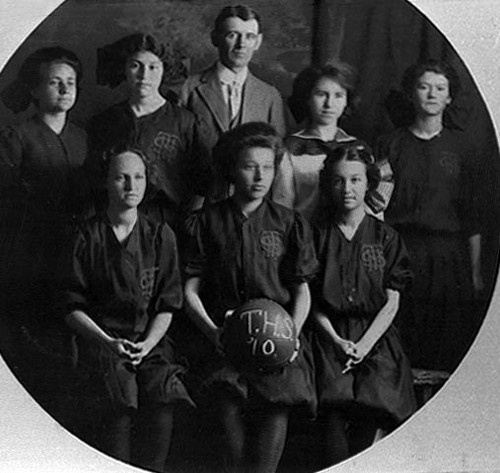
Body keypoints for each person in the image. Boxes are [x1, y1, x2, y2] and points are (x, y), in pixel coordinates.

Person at [183, 122, 317, 473]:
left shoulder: (289, 223)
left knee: (265, 461)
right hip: (226, 349)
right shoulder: (207, 221)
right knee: (233, 454)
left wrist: (292, 333)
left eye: (267, 167)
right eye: (249, 167)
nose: (259, 176)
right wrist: (213, 331)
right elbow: (189, 289)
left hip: (279, 350)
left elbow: (302, 289)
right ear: (232, 169)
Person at [60, 147, 194, 472]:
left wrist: (147, 345)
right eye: (121, 177)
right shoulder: (85, 236)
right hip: (101, 344)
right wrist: (108, 342)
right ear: (107, 182)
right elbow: (70, 307)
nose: (131, 186)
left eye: (138, 177)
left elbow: (168, 302)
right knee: (119, 405)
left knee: (164, 397)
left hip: (151, 344)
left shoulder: (161, 236)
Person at [311, 144, 416, 467]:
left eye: (356, 180)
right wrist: (339, 342)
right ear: (329, 184)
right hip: (328, 337)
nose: (347, 189)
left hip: (376, 336)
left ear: (369, 183)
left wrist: (366, 344)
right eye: (339, 181)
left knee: (373, 402)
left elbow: (392, 300)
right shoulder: (316, 236)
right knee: (331, 404)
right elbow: (313, 303)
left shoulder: (385, 237)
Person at [377, 59, 484, 372]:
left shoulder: (462, 146)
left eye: (440, 88)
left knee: (445, 337)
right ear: (412, 94)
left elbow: (473, 216)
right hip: (402, 251)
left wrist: (475, 273)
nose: (432, 94)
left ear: (449, 97)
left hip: (449, 256)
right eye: (424, 87)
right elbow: (377, 207)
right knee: (403, 332)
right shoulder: (391, 143)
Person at [0, 47, 89, 416]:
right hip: (29, 249)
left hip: (76, 249)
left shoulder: (82, 137)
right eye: (55, 82)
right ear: (36, 90)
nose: (65, 90)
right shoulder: (16, 136)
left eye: (70, 83)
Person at [86, 33, 210, 230]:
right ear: (124, 69)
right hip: (116, 222)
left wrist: (188, 221)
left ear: (164, 70)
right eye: (136, 65)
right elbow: (93, 178)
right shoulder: (105, 121)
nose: (144, 75)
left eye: (153, 67)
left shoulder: (184, 121)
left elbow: (202, 181)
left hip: (168, 222)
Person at [179, 4, 287, 202]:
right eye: (232, 35)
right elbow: (177, 155)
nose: (241, 45)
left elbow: (278, 161)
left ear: (258, 41)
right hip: (201, 204)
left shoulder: (269, 96)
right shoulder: (189, 89)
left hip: (251, 206)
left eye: (249, 37)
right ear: (215, 38)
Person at [273, 62, 393, 222]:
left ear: (346, 101)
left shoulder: (359, 149)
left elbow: (372, 215)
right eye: (321, 94)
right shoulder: (291, 149)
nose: (329, 104)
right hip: (305, 239)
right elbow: (283, 208)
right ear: (308, 98)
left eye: (338, 95)